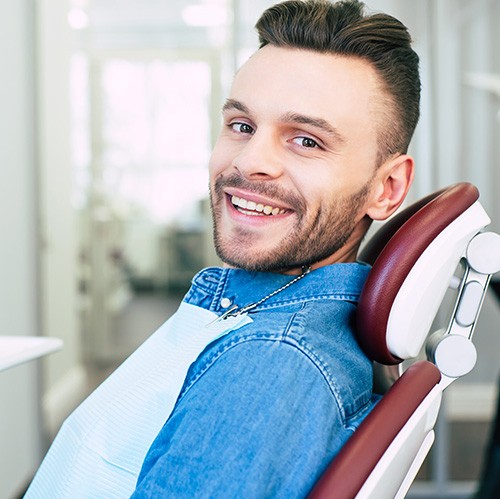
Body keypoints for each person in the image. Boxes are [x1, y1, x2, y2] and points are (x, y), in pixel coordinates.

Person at [26, 0, 420, 497]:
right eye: (242, 126)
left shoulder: (268, 365)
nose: (251, 162)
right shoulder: (258, 314)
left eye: (306, 141)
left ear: (385, 188)